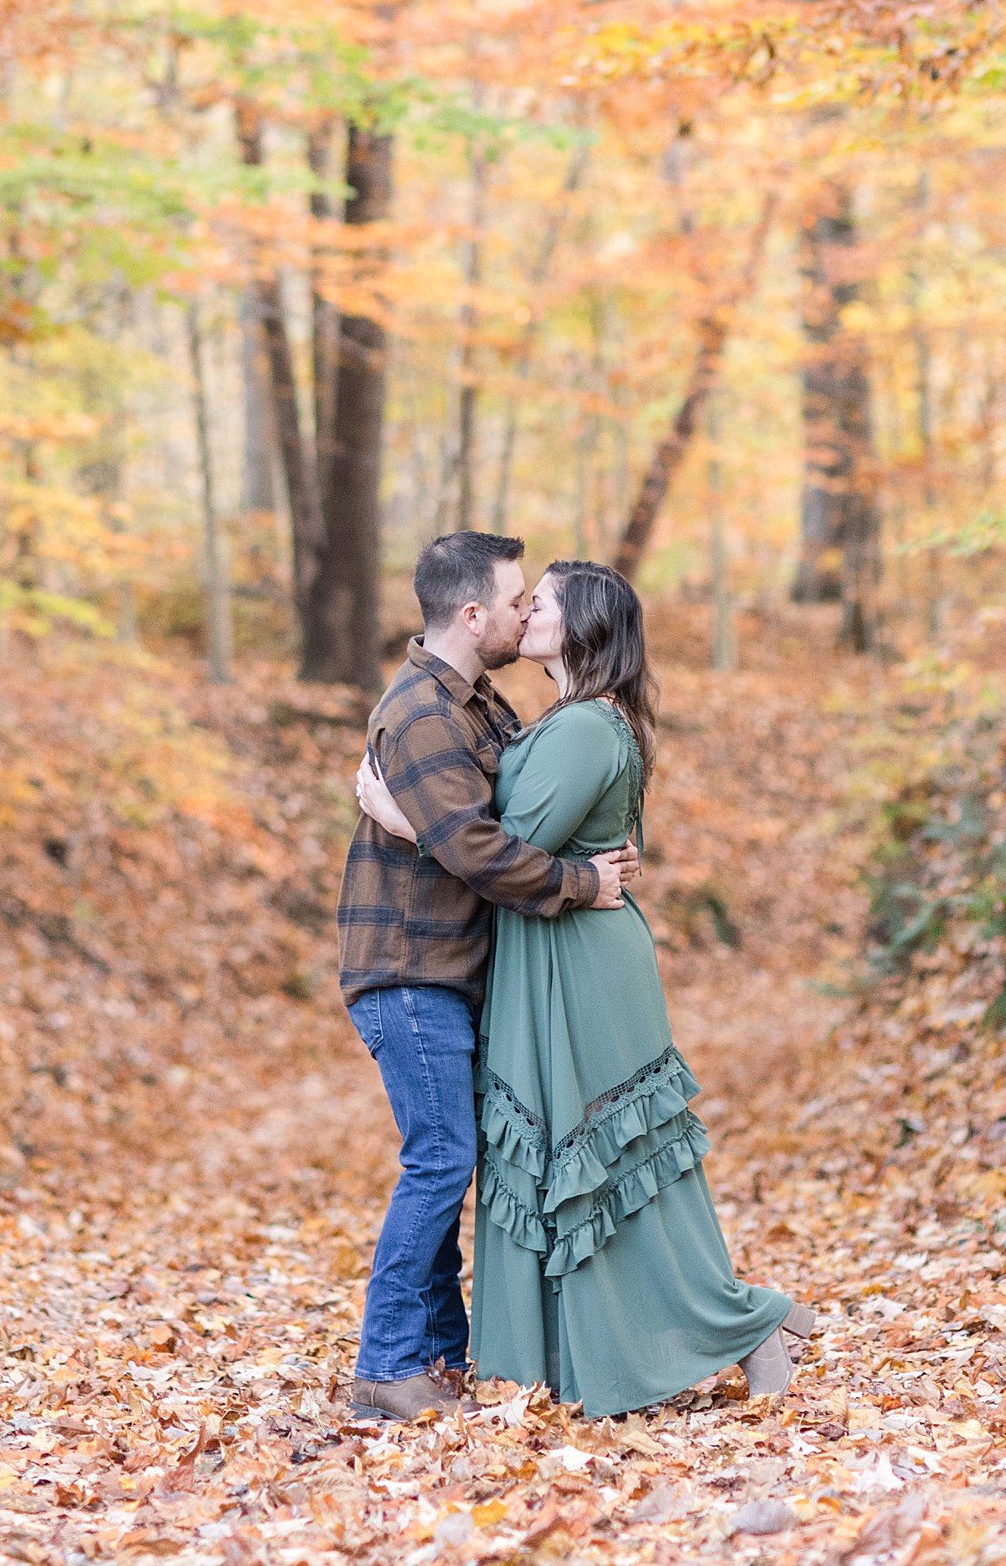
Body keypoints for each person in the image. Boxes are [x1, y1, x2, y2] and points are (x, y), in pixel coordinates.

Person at [356, 559, 815, 1419]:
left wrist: (402, 820)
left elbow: (501, 845)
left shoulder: (583, 730)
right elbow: (508, 834)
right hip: (553, 955)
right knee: (580, 1171)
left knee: (608, 1167)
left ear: (583, 628)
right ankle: (638, 1345)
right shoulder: (556, 719)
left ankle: (745, 1322)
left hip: (579, 966)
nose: (526, 611)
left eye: (544, 603)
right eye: (520, 599)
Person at [336, 531, 639, 1425]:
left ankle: (433, 1356)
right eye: (515, 600)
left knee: (447, 1159)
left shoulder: (477, 703)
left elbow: (512, 813)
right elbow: (477, 848)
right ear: (472, 615)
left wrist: (594, 844)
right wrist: (585, 885)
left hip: (451, 970)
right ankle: (386, 1364)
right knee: (439, 1162)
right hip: (407, 971)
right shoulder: (422, 711)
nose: (523, 612)